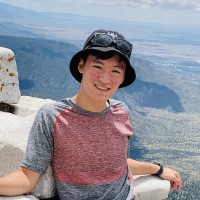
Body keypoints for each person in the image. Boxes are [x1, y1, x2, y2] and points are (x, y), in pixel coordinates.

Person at [0, 29, 182, 199]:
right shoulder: (52, 116)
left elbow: (118, 164)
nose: (105, 78)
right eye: (97, 67)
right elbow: (27, 177)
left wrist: (157, 169)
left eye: (115, 71)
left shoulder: (122, 111)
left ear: (123, 77)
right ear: (81, 66)